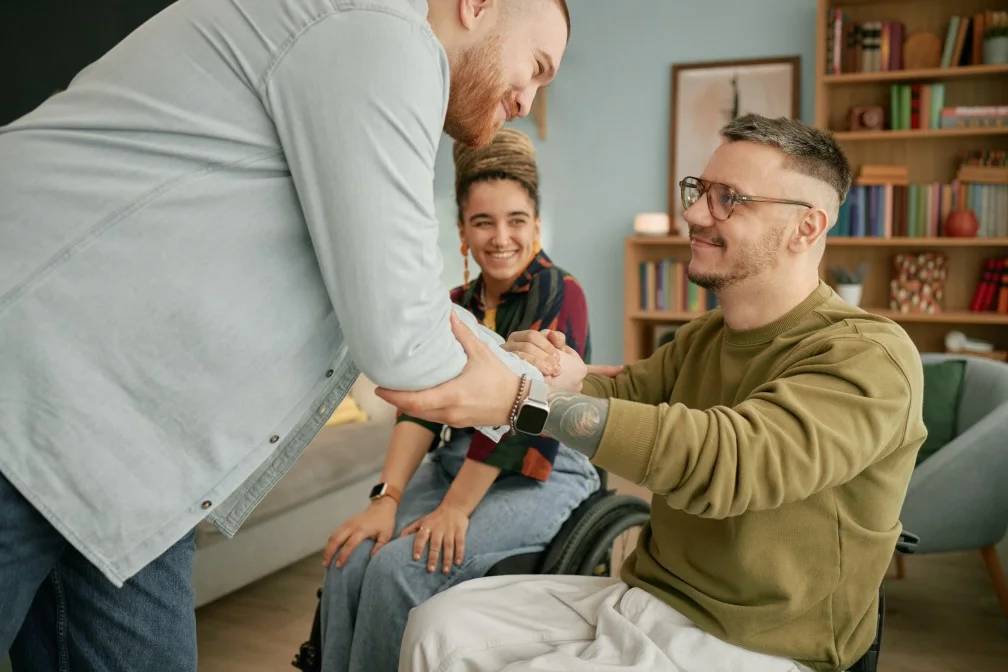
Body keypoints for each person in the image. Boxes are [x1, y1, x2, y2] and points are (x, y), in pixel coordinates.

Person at [0, 0, 571, 669]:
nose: (528, 100)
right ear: (478, 4)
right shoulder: (378, 31)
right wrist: (539, 391)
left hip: (120, 455)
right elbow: (401, 340)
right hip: (30, 392)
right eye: (535, 66)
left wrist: (510, 362)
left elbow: (398, 298)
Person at [378, 114, 929, 672]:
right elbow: (621, 395)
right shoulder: (704, 337)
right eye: (699, 191)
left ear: (806, 227)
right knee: (436, 627)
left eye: (728, 199)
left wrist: (527, 400)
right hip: (649, 597)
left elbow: (730, 460)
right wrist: (554, 374)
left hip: (761, 642)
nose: (694, 213)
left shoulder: (868, 357)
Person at [317, 127, 601, 672]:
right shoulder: (453, 304)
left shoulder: (562, 294)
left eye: (516, 220)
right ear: (462, 232)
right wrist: (386, 498)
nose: (501, 237)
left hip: (541, 471)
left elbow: (524, 416)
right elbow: (419, 409)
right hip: (457, 464)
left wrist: (455, 509)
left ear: (537, 225)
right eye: (483, 222)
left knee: (398, 568)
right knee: (349, 558)